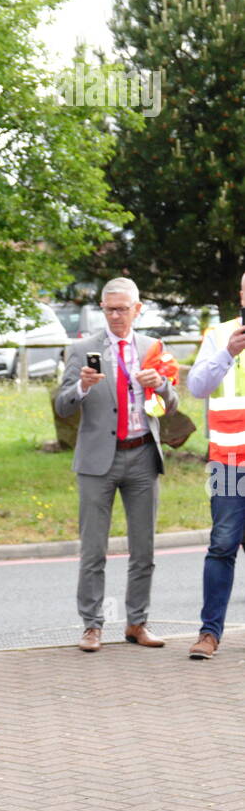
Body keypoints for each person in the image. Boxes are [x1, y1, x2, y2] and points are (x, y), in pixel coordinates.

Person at [54, 277, 178, 652]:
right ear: (102, 310)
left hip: (142, 455)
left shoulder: (152, 347)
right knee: (94, 550)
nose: (115, 316)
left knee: (144, 550)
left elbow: (170, 405)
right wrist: (83, 387)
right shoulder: (82, 349)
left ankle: (137, 623)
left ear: (137, 309)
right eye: (109, 310)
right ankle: (92, 626)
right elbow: (62, 405)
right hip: (97, 461)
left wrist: (161, 384)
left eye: (123, 309)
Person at [183, 273, 245, 659]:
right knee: (222, 545)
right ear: (241, 294)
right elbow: (196, 386)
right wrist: (228, 353)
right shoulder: (219, 334)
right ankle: (209, 634)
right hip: (228, 461)